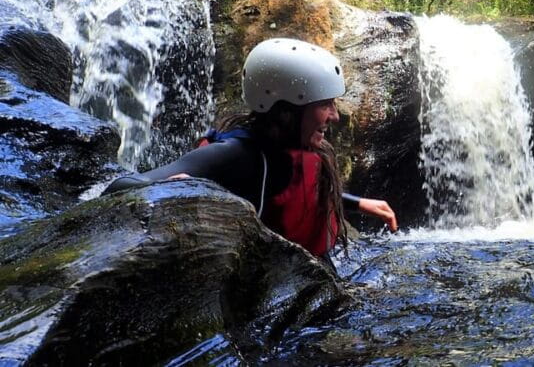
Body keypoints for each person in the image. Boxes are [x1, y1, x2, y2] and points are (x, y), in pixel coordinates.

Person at [105, 37, 398, 263]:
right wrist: (181, 192)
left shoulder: (289, 148)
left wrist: (358, 203)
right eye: (325, 105)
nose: (334, 115)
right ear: (286, 112)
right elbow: (120, 188)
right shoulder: (237, 154)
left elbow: (293, 186)